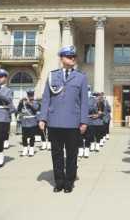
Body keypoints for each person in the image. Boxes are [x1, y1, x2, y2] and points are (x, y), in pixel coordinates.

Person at [39, 46, 88, 193]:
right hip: (54, 122)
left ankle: (69, 182)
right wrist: (43, 118)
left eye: (74, 56)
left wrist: (84, 121)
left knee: (72, 154)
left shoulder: (81, 77)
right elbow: (46, 98)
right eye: (68, 56)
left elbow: (84, 101)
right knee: (57, 154)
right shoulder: (52, 76)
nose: (72, 59)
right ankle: (59, 181)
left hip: (73, 123)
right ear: (61, 58)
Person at [18, 90, 40, 157]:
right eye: (29, 95)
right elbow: (18, 110)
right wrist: (20, 102)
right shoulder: (23, 102)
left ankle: (31, 150)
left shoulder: (35, 102)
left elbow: (36, 108)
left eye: (31, 95)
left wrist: (29, 103)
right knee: (24, 137)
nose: (30, 97)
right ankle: (25, 150)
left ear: (33, 96)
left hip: (32, 122)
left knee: (32, 137)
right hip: (24, 122)